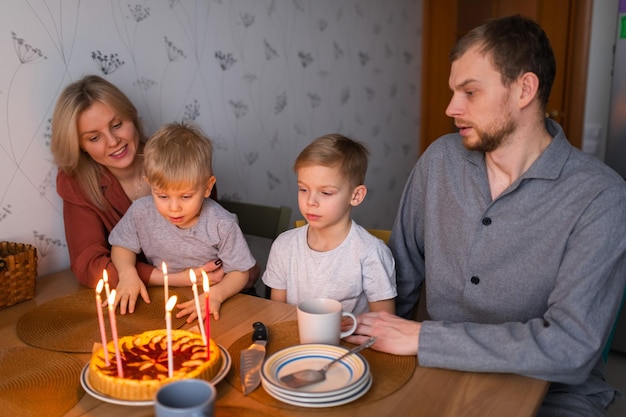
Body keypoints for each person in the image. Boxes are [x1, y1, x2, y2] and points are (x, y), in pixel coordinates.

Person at [345, 15, 626, 417]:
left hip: (553, 394)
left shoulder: (601, 196)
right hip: (439, 371)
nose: (451, 108)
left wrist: (425, 340)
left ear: (524, 89)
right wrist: (376, 353)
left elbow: (571, 347)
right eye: (452, 91)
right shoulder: (440, 160)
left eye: (470, 92)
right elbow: (399, 278)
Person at [50, 75, 232, 317]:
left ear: (133, 118)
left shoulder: (177, 161)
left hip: (201, 295)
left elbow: (211, 237)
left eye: (117, 125)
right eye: (94, 137)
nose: (113, 141)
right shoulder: (75, 182)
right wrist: (164, 278)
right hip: (142, 301)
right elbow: (89, 264)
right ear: (80, 145)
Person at [109, 122, 256, 320]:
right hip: (169, 299)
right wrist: (127, 273)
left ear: (207, 187)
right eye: (162, 196)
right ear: (150, 185)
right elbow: (121, 246)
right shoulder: (140, 212)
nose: (174, 207)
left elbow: (240, 273)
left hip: (218, 299)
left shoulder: (222, 224)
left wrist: (216, 296)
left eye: (185, 197)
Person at [262, 134, 397, 315]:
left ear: (355, 196)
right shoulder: (284, 246)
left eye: (325, 193)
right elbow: (277, 314)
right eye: (303, 189)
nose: (311, 201)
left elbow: (384, 324)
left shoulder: (371, 253)